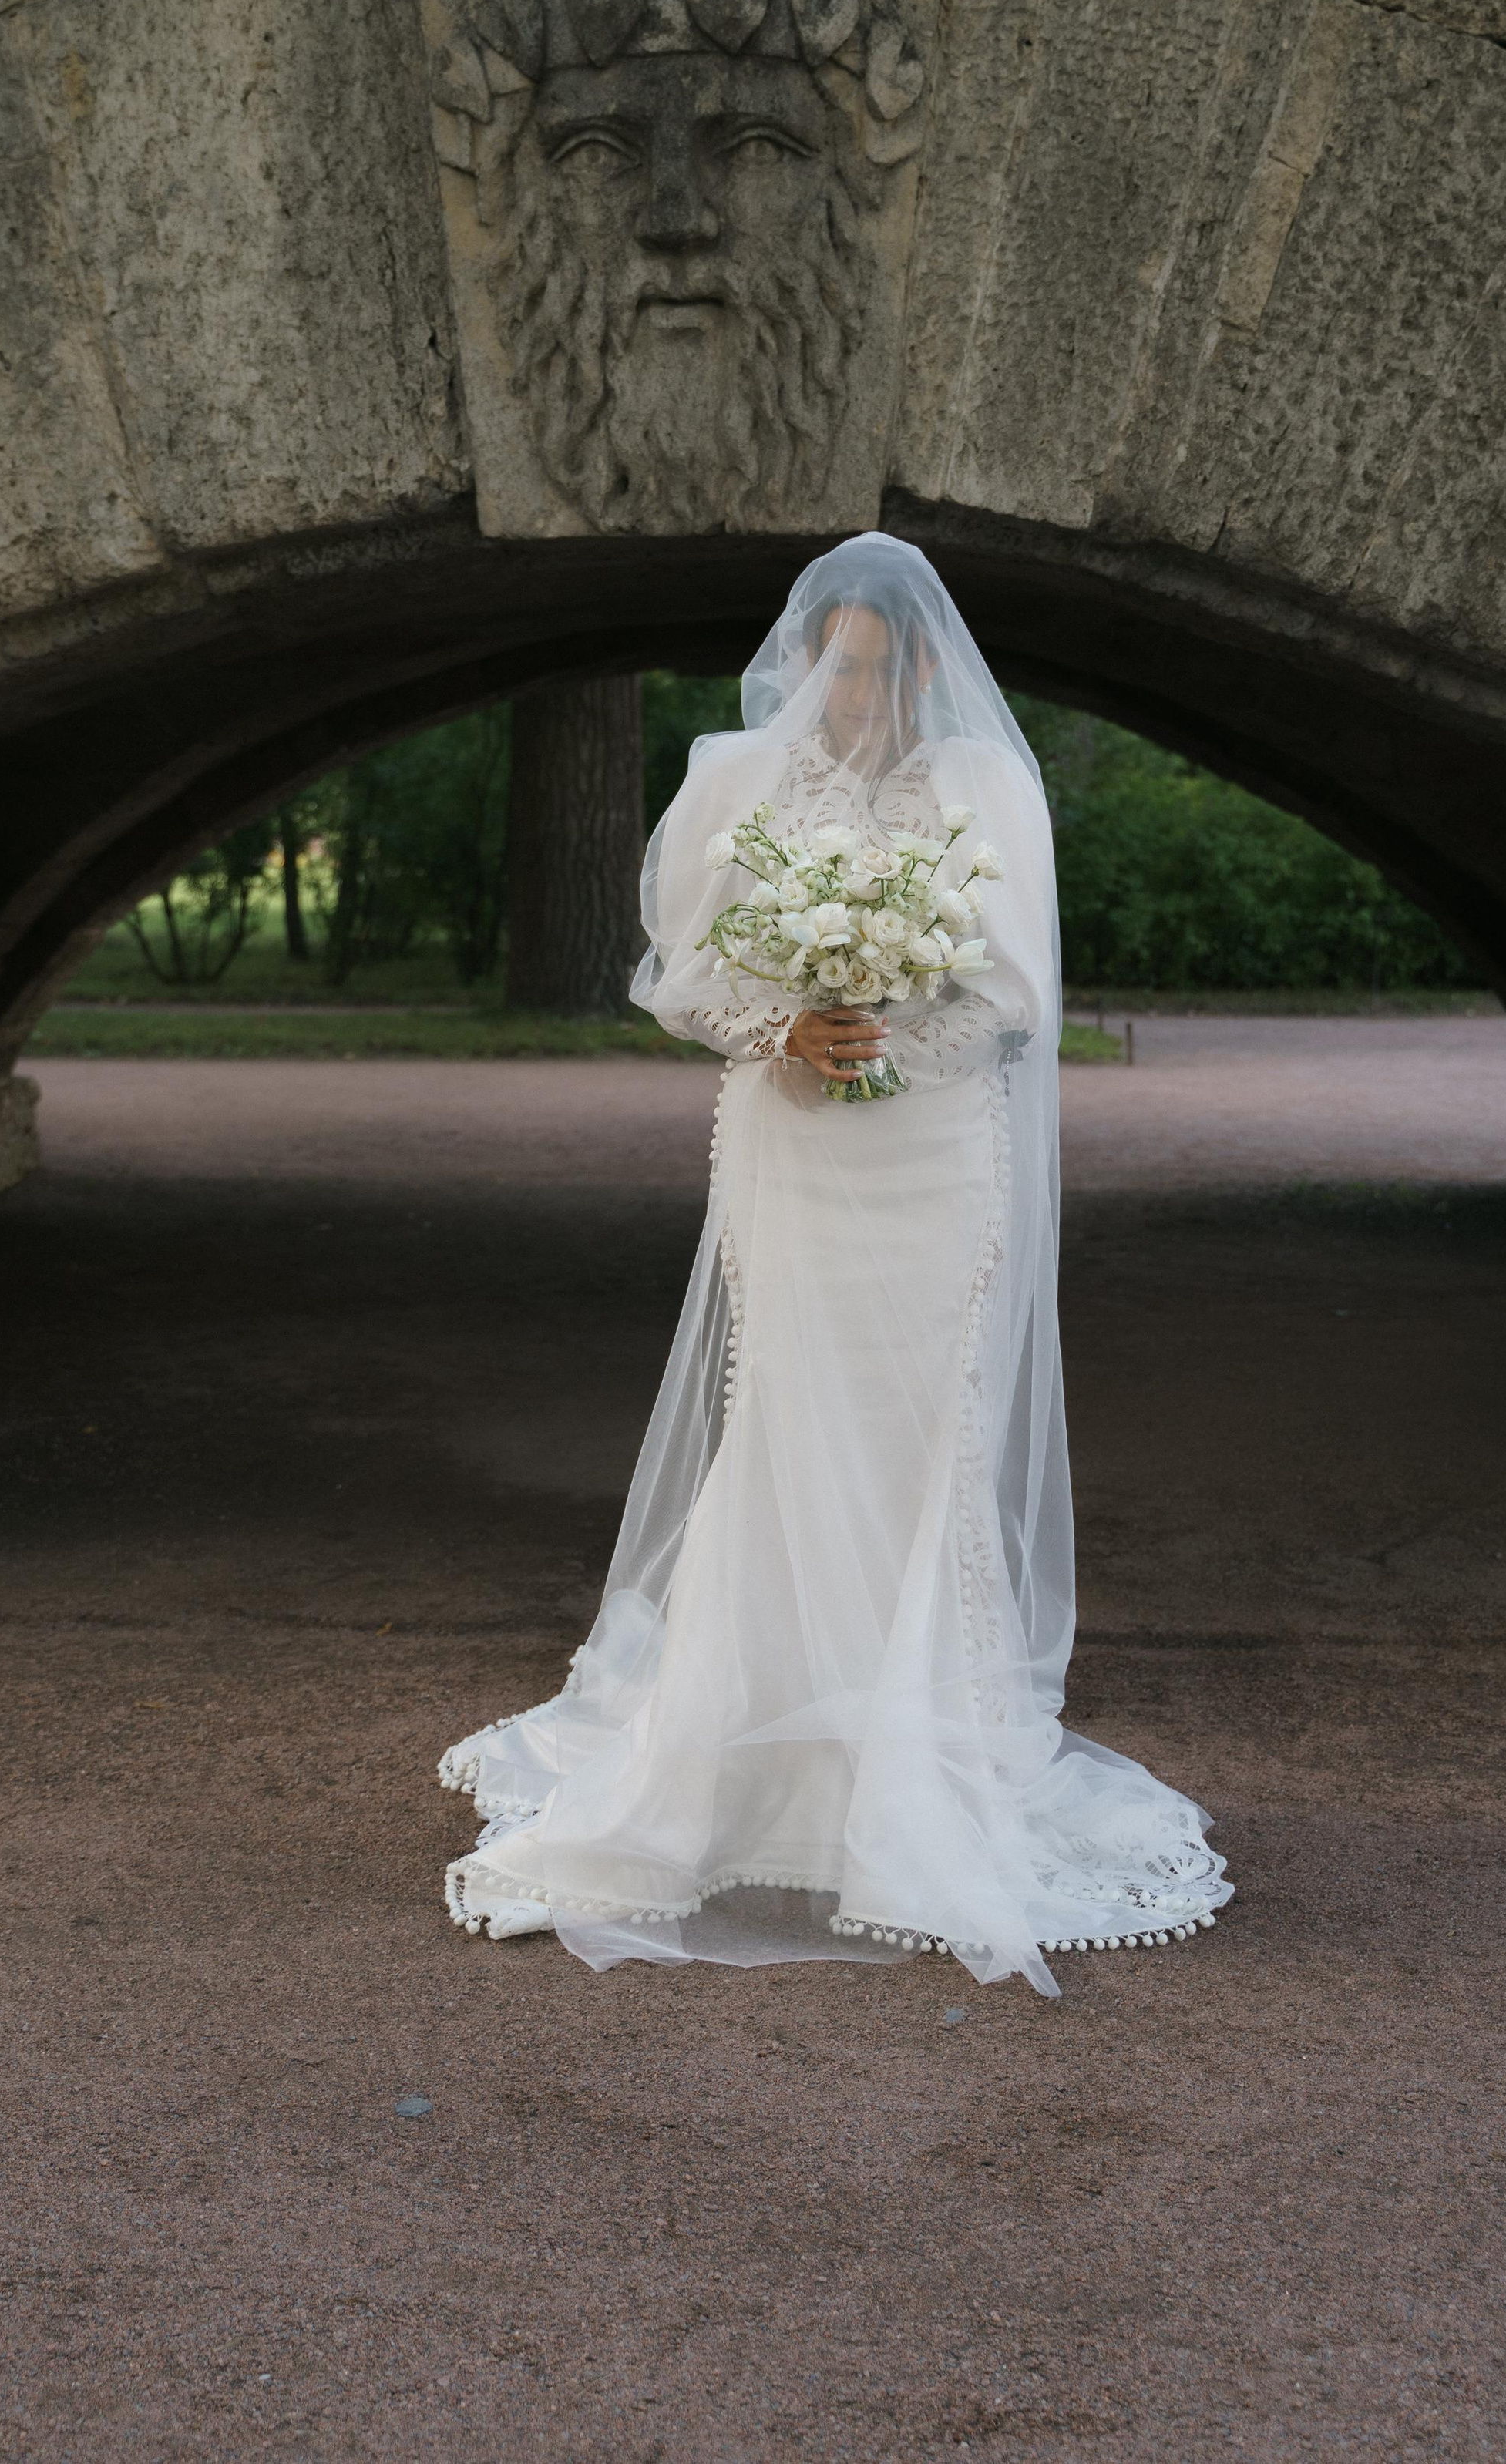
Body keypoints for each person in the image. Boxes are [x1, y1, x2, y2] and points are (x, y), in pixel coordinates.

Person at [441, 533, 1230, 1995]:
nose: (852, 688)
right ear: (805, 663)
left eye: (877, 664)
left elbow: (1015, 995)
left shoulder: (986, 786)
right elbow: (675, 973)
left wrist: (885, 1011)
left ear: (923, 667)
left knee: (921, 1427)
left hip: (937, 1156)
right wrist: (789, 1026)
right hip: (795, 1148)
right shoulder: (732, 777)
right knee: (791, 1416)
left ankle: (909, 1748)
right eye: (834, 662)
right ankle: (745, 1757)